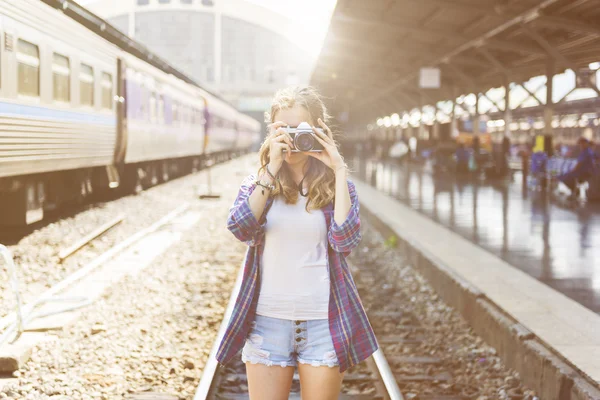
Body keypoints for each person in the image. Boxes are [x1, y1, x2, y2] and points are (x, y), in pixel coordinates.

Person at [215, 86, 378, 399]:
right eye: (282, 129)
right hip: (267, 324)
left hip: (323, 325)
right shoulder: (258, 183)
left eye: (298, 129)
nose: (291, 139)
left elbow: (346, 242)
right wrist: (272, 168)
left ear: (318, 128)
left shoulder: (336, 188)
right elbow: (240, 228)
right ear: (271, 131)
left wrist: (339, 169)